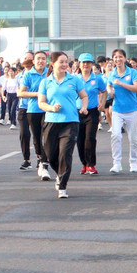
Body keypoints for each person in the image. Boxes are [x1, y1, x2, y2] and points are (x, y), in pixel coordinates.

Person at [37, 51, 87, 199]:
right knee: (51, 154)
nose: (65, 64)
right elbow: (41, 103)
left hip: (70, 122)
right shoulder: (46, 82)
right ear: (53, 64)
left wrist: (83, 107)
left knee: (65, 154)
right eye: (61, 62)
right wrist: (51, 108)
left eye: (66, 61)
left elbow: (84, 96)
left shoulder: (74, 80)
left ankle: (62, 186)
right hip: (51, 122)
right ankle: (59, 173)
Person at [105, 49, 137, 173]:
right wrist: (110, 90)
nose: (118, 59)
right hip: (117, 109)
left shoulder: (132, 72)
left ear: (125, 58)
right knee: (115, 135)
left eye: (120, 57)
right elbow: (109, 85)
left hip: (132, 109)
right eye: (115, 57)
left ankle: (133, 162)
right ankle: (117, 163)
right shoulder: (112, 73)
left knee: (133, 138)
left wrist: (121, 83)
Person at [20, 51, 50, 180]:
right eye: (38, 59)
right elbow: (21, 93)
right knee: (37, 138)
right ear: (33, 61)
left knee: (47, 137)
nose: (41, 61)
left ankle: (44, 165)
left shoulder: (50, 73)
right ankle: (39, 157)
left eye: (43, 59)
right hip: (33, 110)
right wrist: (38, 94)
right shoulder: (28, 74)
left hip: (48, 109)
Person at [76, 53, 107, 175]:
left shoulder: (97, 78)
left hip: (92, 112)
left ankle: (91, 164)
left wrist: (102, 104)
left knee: (90, 138)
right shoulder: (74, 79)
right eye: (83, 62)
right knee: (79, 139)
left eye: (88, 62)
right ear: (79, 64)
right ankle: (84, 163)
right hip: (77, 112)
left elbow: (104, 92)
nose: (86, 65)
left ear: (92, 64)